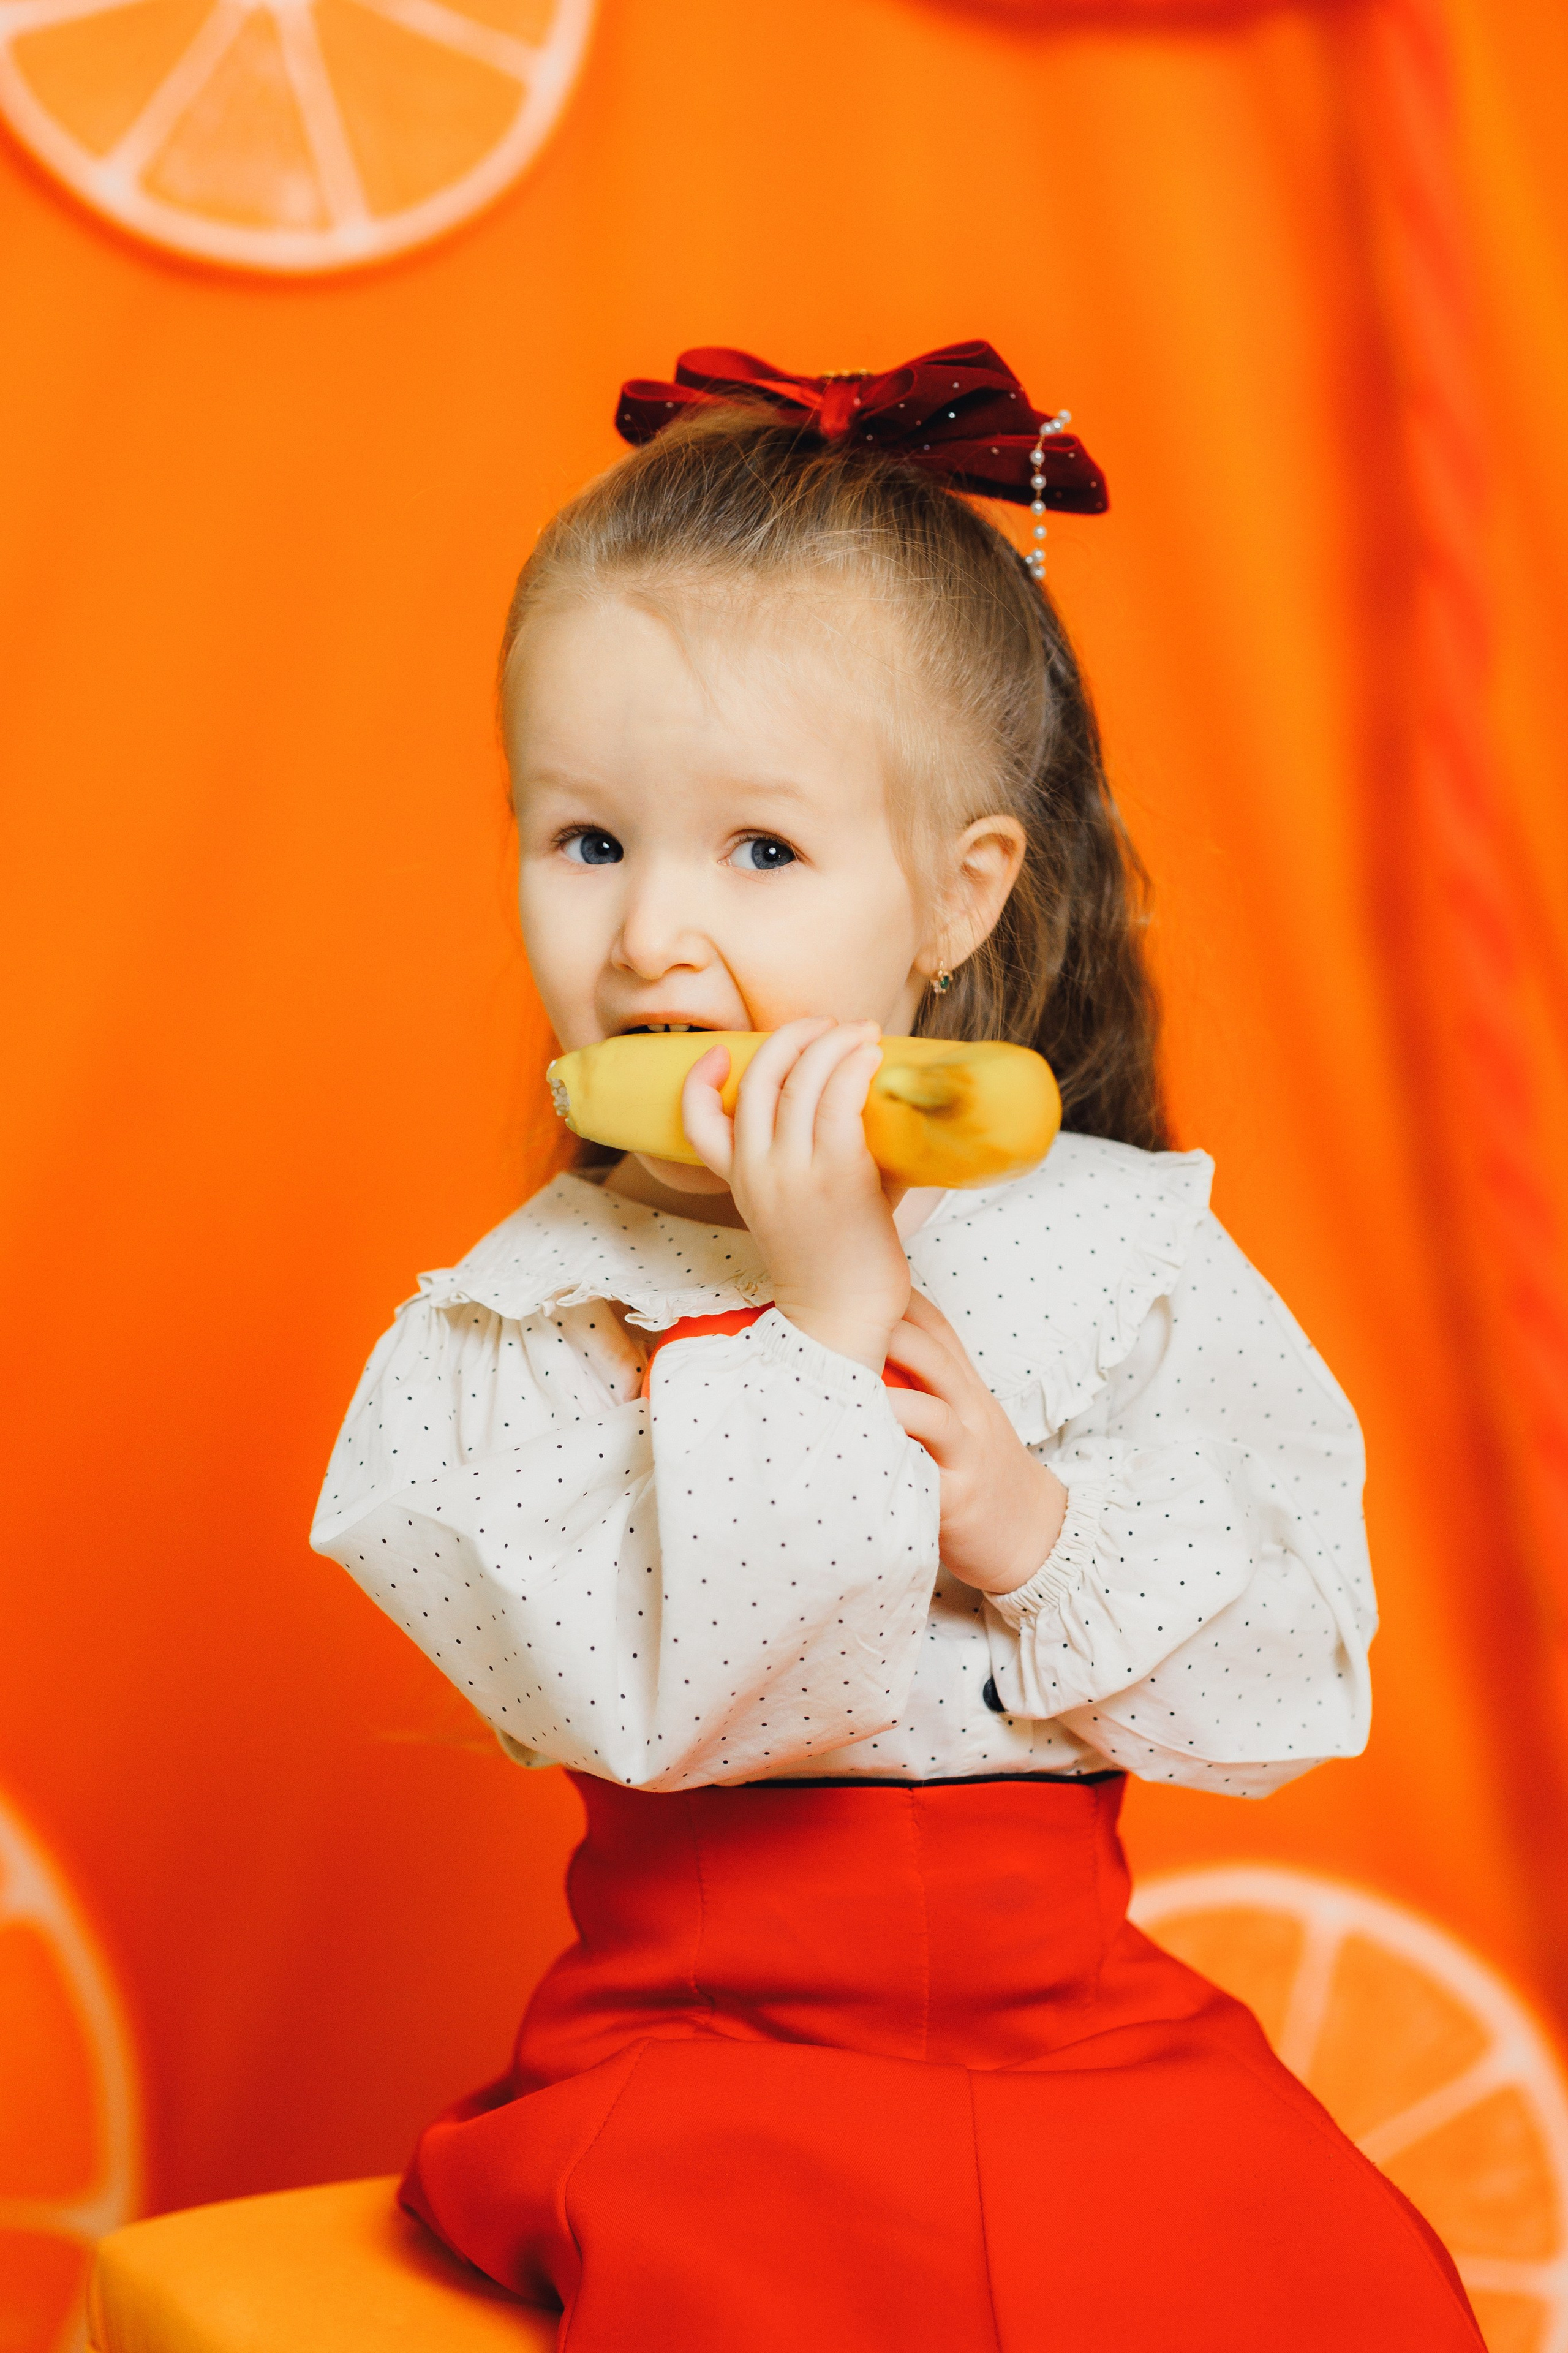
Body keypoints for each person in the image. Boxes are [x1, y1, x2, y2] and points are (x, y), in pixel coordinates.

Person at [311, 344, 1481, 2350]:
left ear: (958, 897)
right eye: (588, 841)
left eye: (761, 853)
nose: (658, 936)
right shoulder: (510, 1330)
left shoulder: (1116, 1250)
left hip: (1088, 2039)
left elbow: (1298, 1687)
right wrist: (827, 1316)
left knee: (1351, 2283)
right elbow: (680, 1706)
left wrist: (1036, 1531)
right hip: (702, 2052)